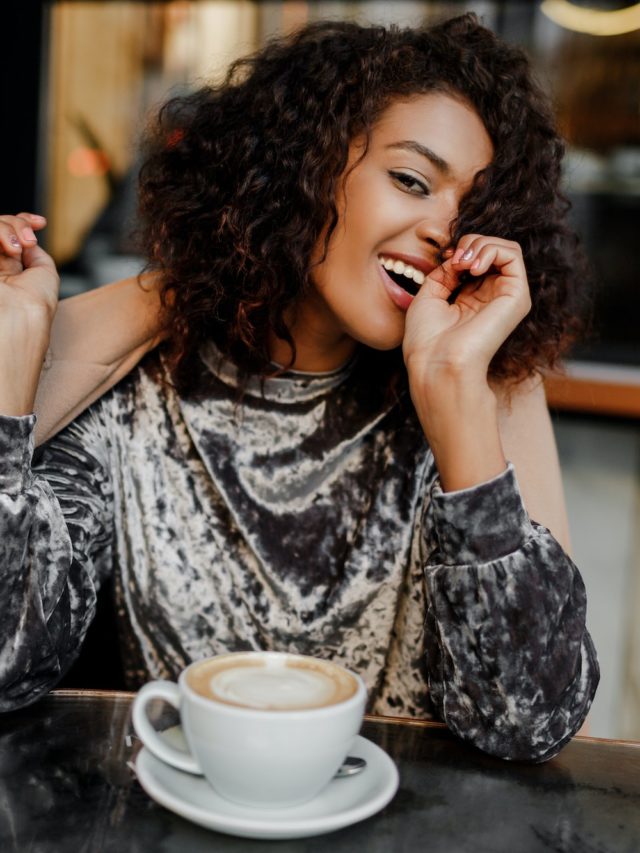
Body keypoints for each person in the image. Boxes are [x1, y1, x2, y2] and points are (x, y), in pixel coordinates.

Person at [0, 13, 598, 761]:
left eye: (472, 212)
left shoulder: (478, 397)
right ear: (301, 169)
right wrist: (6, 374)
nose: (448, 229)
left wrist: (455, 402)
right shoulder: (133, 398)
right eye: (412, 180)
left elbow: (530, 720)